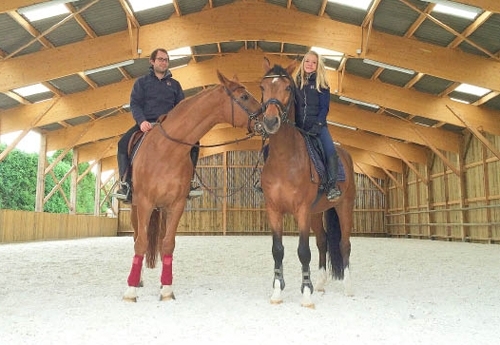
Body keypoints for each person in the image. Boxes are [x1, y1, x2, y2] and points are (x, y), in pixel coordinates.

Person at [113, 48, 203, 203]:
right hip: (146, 124)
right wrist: (141, 122)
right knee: (122, 144)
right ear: (152, 61)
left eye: (166, 60)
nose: (164, 62)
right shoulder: (141, 83)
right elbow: (135, 104)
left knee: (195, 143)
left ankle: (189, 183)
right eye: (161, 59)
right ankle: (125, 184)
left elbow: (181, 108)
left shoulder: (174, 85)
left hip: (169, 127)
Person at [294, 50, 341, 201]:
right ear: (303, 63)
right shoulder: (295, 84)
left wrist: (318, 125)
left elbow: (324, 108)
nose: (310, 64)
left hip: (318, 127)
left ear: (317, 65)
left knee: (330, 151)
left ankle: (332, 186)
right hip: (298, 127)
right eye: (307, 61)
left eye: (313, 62)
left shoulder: (322, 84)